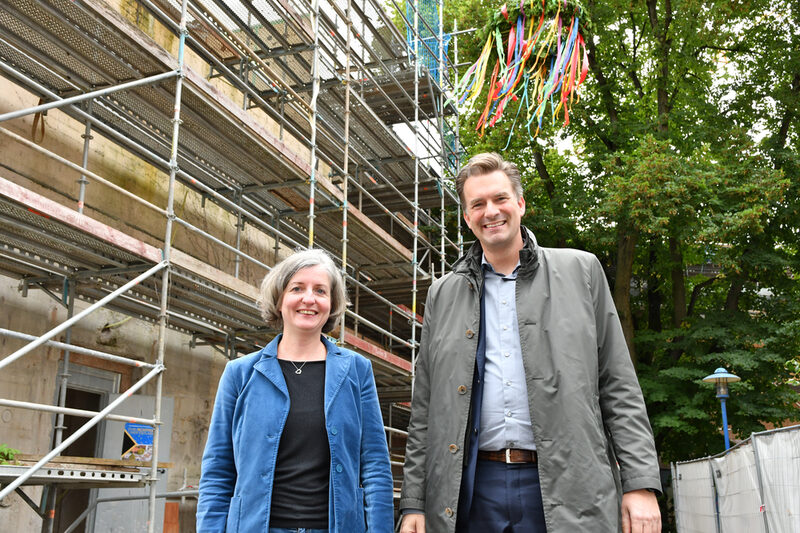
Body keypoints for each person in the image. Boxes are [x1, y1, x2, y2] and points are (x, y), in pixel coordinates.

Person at [399, 153, 662, 533]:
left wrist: (639, 484)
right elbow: (425, 408)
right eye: (477, 204)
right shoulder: (442, 293)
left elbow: (618, 385)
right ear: (467, 217)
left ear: (520, 203)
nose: (491, 211)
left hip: (570, 485)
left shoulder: (582, 271)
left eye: (500, 199)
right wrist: (414, 503)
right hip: (472, 492)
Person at [197, 248, 394, 533]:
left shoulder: (356, 370)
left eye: (320, 291)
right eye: (297, 288)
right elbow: (218, 470)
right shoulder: (240, 373)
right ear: (279, 300)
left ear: (332, 303)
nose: (309, 299)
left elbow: (375, 465)